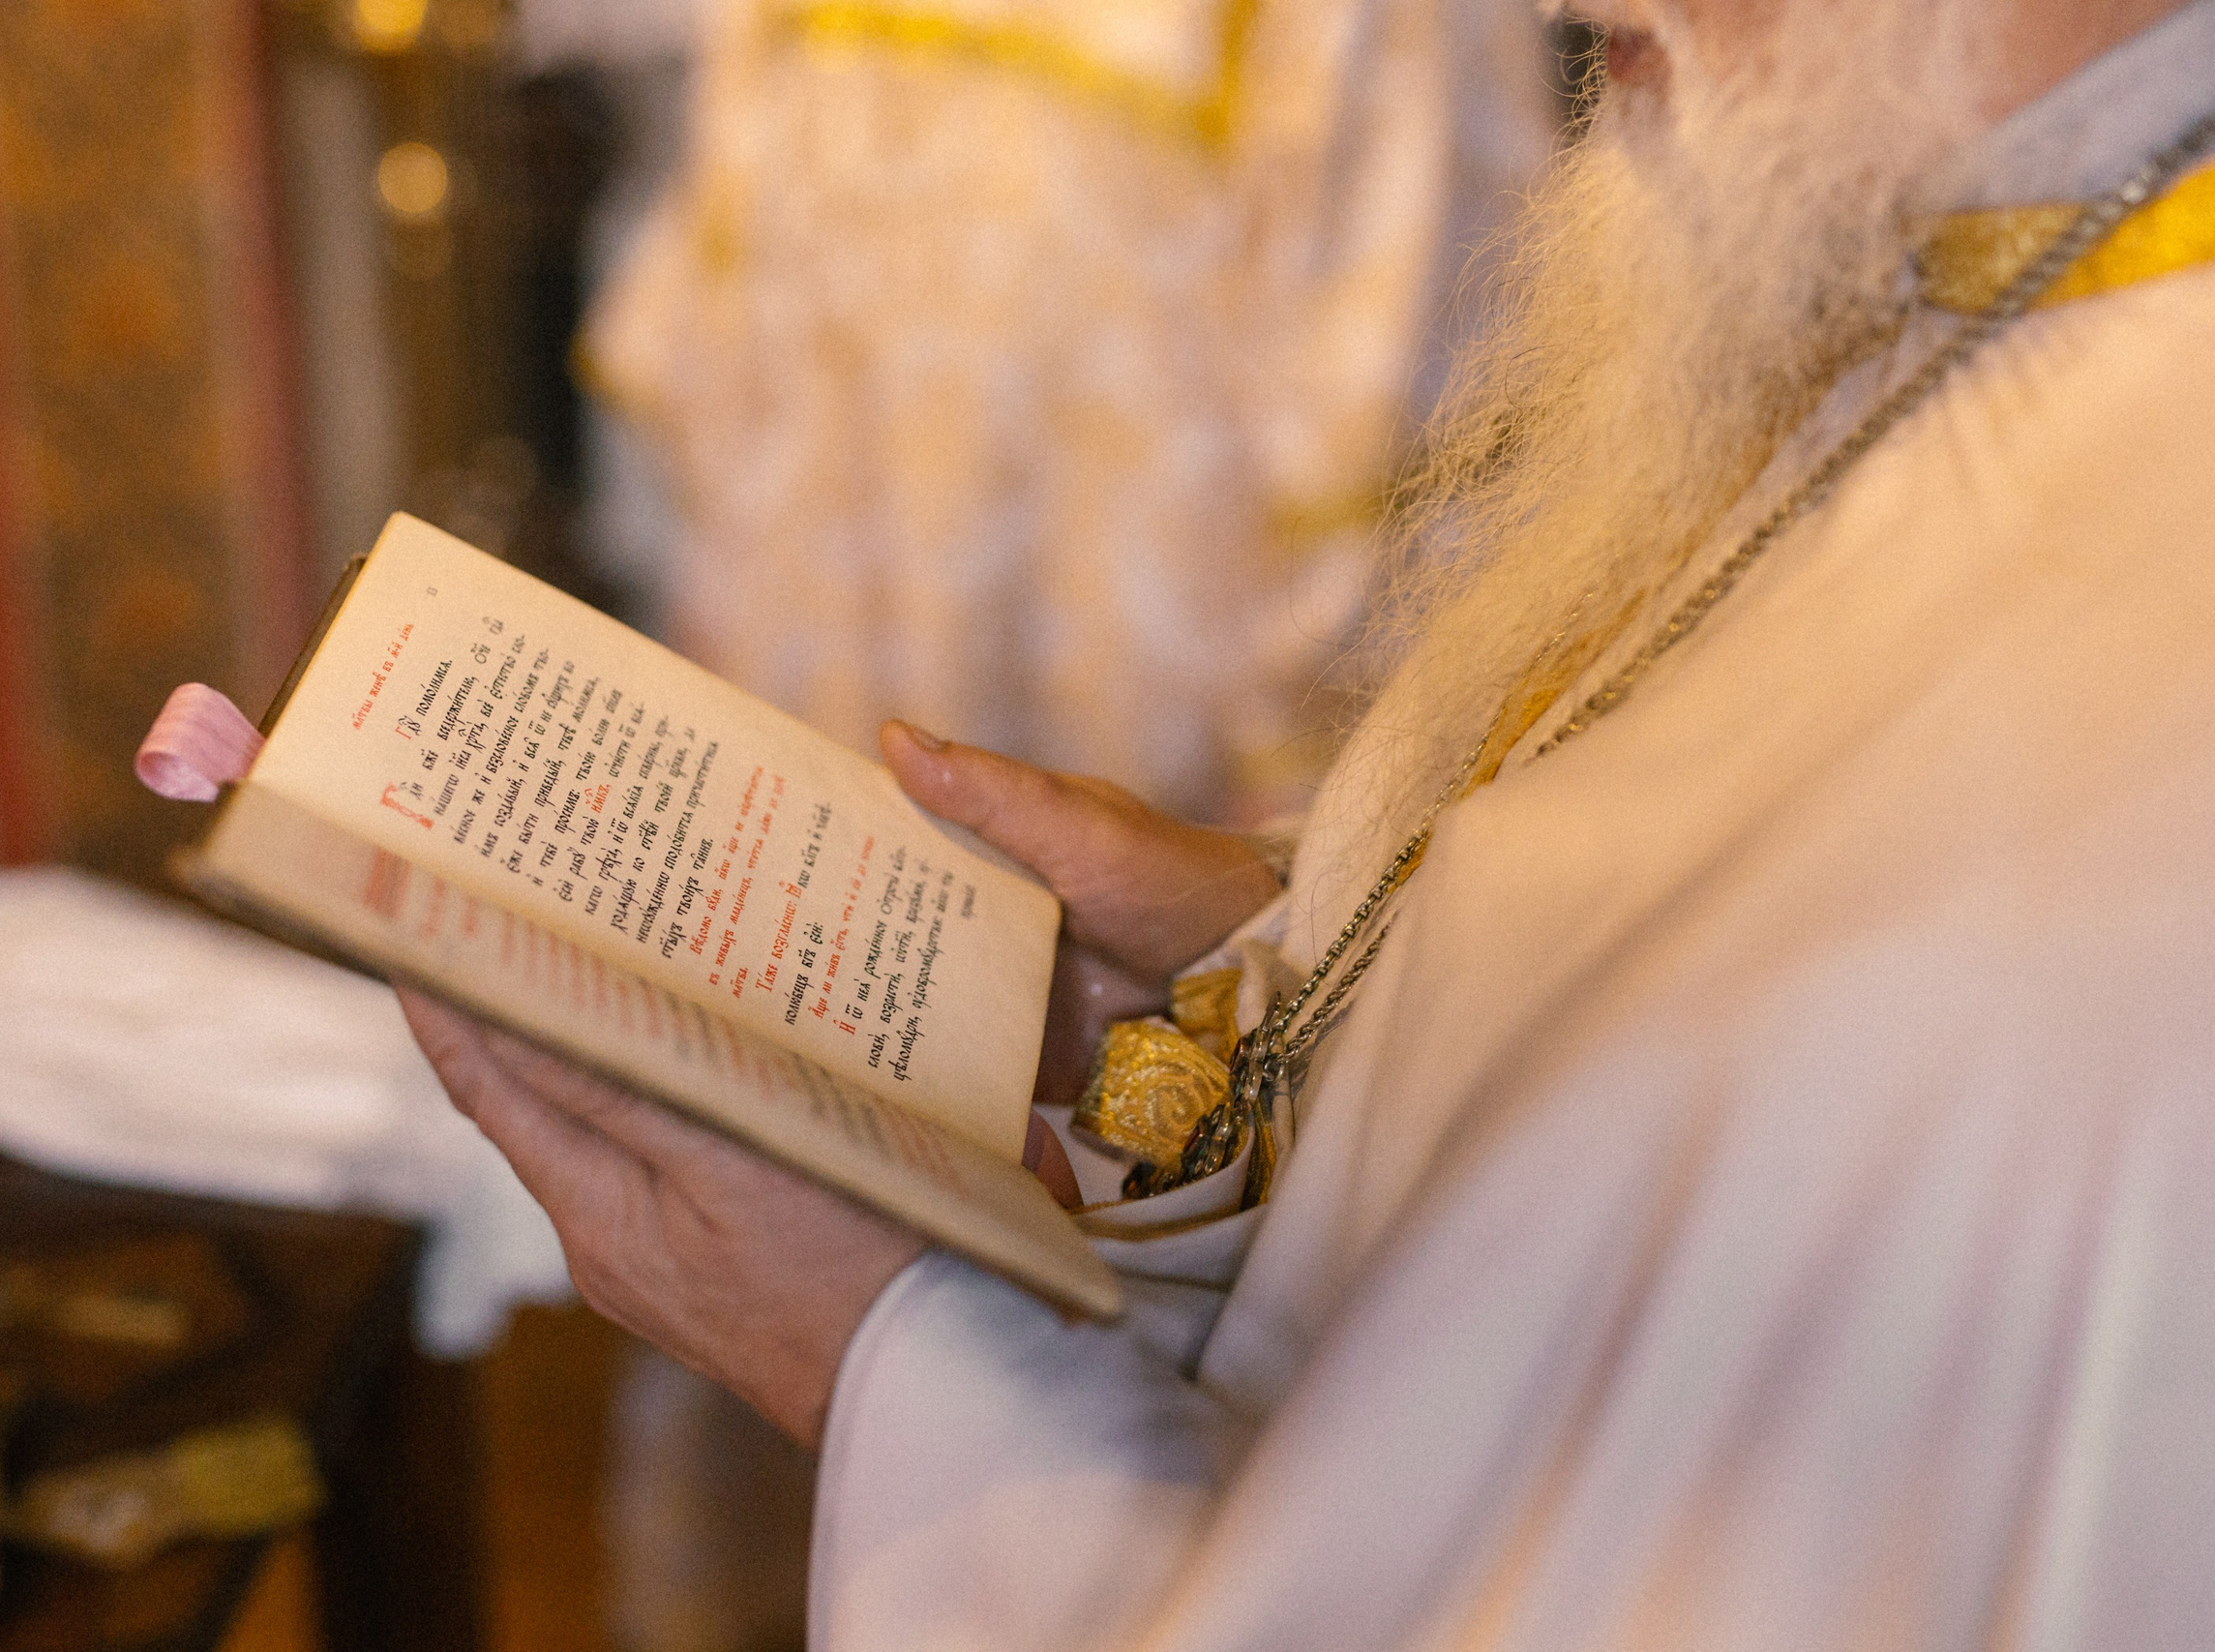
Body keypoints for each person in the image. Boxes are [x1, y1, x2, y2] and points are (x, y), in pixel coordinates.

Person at [404, 0, 2215, 1645]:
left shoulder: (2099, 813)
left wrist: (898, 1353)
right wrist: (1276, 969)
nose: (1562, 18)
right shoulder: (2008, 254)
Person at [582, 0, 1557, 814]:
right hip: (815, 643)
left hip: (1159, 739)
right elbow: (731, 208)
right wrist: (712, 596)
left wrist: (1295, 794)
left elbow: (1390, 344)